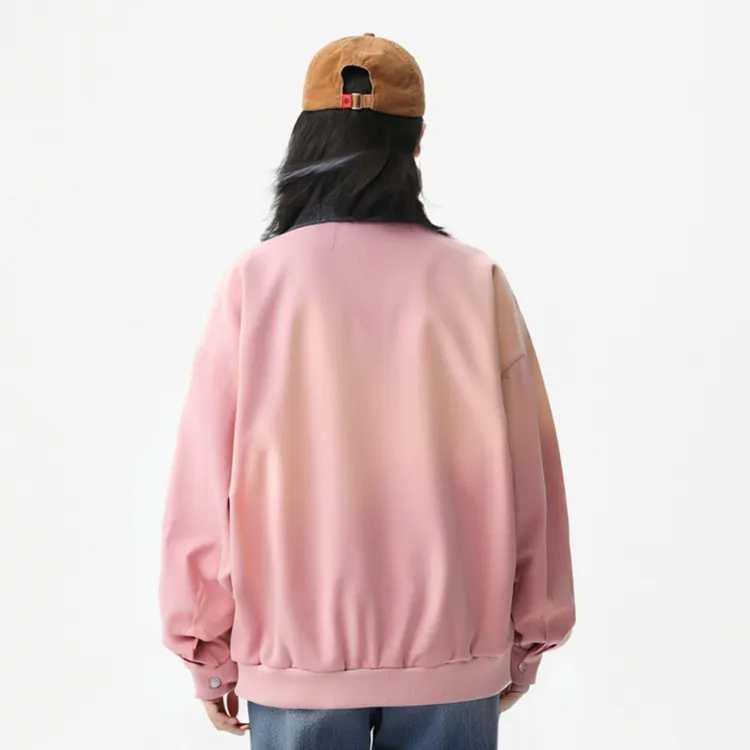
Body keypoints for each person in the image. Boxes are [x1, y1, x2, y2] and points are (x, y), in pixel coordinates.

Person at [159, 32, 575, 749]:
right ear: (416, 144)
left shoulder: (256, 284)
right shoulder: (475, 283)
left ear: (306, 139)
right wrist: (524, 641)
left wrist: (208, 652)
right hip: (453, 650)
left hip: (295, 653)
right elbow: (530, 475)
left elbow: (204, 482)